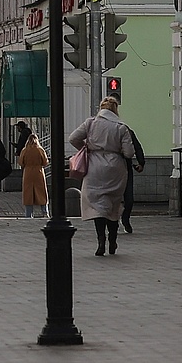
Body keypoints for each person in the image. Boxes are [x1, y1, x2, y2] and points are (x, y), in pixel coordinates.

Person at [69, 96, 139, 255]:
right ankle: (113, 240)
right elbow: (129, 152)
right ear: (115, 110)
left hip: (94, 166)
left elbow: (73, 138)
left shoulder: (90, 123)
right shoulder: (121, 128)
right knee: (112, 205)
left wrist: (88, 148)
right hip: (115, 168)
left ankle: (101, 240)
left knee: (97, 206)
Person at [16, 122, 50, 219]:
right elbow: (45, 162)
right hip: (39, 171)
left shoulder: (25, 150)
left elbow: (21, 162)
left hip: (28, 172)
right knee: (42, 192)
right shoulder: (40, 150)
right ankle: (45, 212)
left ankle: (28, 213)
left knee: (28, 193)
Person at [121, 115, 146, 233]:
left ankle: (125, 219)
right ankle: (116, 221)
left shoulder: (126, 130)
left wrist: (141, 162)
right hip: (113, 168)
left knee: (129, 198)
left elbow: (136, 147)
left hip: (125, 167)